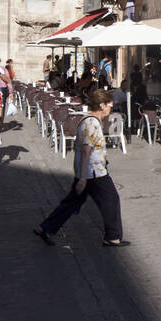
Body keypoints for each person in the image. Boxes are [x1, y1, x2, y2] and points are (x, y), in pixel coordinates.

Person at [33, 89, 125, 247]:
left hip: (88, 171)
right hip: (93, 172)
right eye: (110, 105)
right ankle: (112, 236)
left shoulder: (88, 120)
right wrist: (82, 177)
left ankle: (45, 228)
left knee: (72, 202)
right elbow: (86, 149)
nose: (111, 108)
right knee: (111, 199)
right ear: (102, 105)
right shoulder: (92, 122)